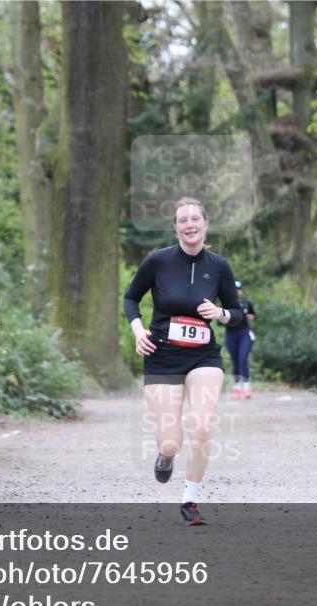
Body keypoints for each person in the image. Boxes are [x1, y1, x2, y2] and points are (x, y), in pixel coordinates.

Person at [123, 197, 243, 525]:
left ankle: (191, 499)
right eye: (183, 220)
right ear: (175, 227)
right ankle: (165, 455)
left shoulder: (219, 266)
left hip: (203, 356)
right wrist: (138, 332)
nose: (190, 225)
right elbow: (131, 297)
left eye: (195, 219)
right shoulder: (158, 261)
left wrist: (219, 313)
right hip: (161, 355)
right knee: (171, 441)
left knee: (202, 426)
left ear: (206, 224)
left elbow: (236, 313)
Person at [224, 280, 256, 399]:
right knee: (235, 360)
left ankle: (246, 388)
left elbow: (253, 316)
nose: (237, 292)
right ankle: (237, 388)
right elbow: (219, 321)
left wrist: (247, 316)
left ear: (241, 291)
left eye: (238, 289)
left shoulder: (247, 304)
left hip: (244, 334)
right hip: (231, 334)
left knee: (243, 358)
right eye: (234, 290)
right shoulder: (226, 305)